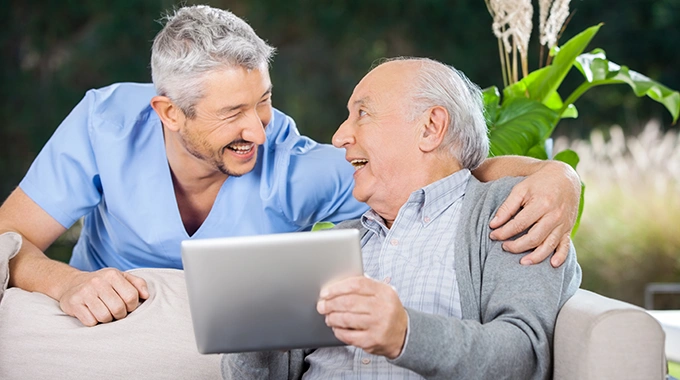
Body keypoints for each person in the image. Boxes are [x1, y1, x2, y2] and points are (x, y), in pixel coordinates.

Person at [0, 5, 580, 328]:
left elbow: (453, 173)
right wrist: (68, 282)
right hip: (106, 325)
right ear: (168, 113)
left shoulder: (294, 167)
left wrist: (557, 176)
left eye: (265, 100)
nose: (260, 128)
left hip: (231, 343)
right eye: (233, 113)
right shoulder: (105, 123)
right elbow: (8, 237)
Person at [222, 58, 581, 379]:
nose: (339, 136)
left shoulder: (511, 211)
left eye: (362, 114)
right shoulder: (337, 243)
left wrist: (405, 334)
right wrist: (252, 332)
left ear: (430, 128)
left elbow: (524, 359)